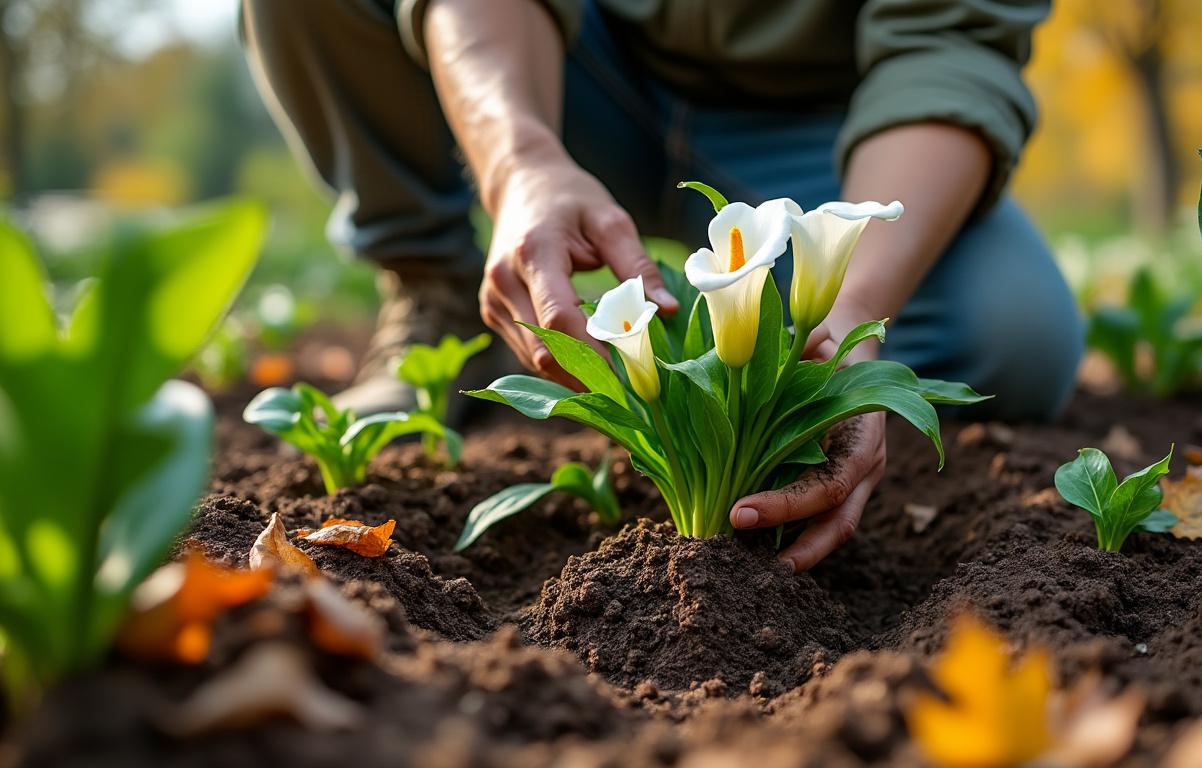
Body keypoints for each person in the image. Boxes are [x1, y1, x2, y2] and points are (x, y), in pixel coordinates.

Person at [240, 0, 1083, 572]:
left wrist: (858, 318)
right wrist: (519, 162)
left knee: (1014, 333)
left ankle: (793, 371)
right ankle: (439, 286)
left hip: (826, 121)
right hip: (573, 69)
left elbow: (950, 41)